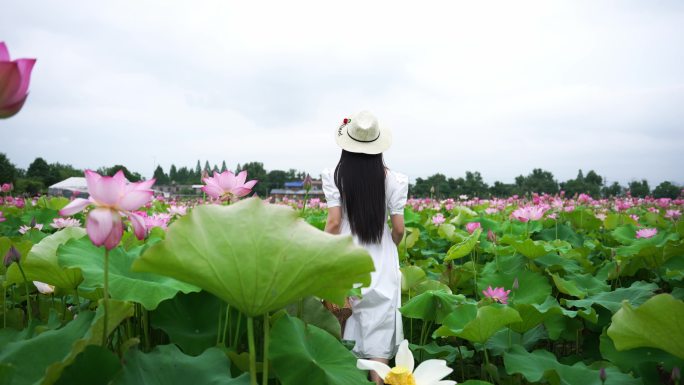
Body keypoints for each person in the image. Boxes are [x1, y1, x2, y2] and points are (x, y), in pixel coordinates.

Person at [321, 110, 408, 385]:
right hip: (380, 256)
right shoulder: (394, 180)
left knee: (341, 319)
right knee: (377, 332)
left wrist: (318, 253)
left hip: (345, 254)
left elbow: (334, 224)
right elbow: (398, 229)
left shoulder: (334, 175)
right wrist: (391, 245)